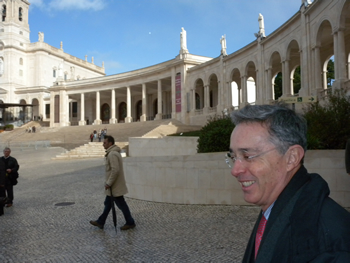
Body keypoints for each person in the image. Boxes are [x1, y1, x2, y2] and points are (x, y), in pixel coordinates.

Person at [228, 104, 350, 262]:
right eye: (233, 157)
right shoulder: (280, 207)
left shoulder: (327, 240)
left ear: (292, 158)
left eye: (248, 156)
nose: (235, 170)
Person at [90, 135, 135, 230]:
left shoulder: (112, 154)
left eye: (105, 142)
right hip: (113, 187)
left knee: (121, 205)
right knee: (108, 204)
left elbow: (115, 170)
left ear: (110, 143)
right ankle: (100, 222)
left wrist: (108, 183)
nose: (103, 144)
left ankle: (130, 222)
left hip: (114, 186)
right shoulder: (112, 153)